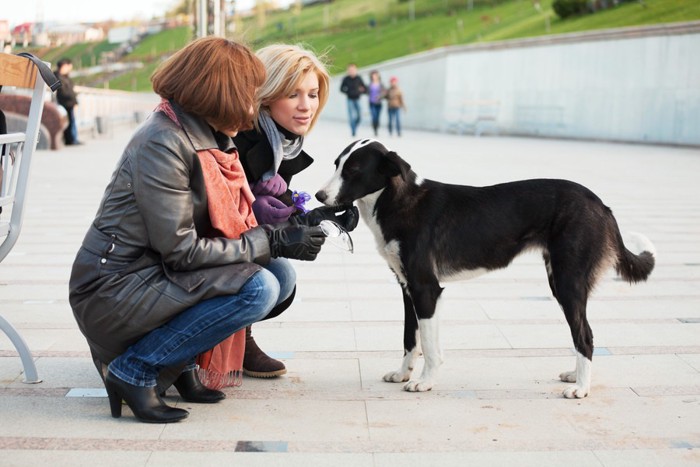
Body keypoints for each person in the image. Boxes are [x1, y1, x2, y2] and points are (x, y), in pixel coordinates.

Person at [68, 37, 328, 424]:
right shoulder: (163, 143)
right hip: (114, 289)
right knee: (260, 287)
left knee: (278, 273)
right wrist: (269, 239)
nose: (253, 102)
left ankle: (181, 362)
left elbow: (215, 229)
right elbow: (182, 251)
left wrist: (285, 229)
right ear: (221, 91)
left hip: (152, 275)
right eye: (249, 90)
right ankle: (134, 369)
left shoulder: (207, 135)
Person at [231, 44, 359, 379]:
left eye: (313, 94)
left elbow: (281, 204)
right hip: (192, 260)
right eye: (293, 94)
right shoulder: (240, 138)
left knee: (283, 278)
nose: (306, 106)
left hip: (230, 251)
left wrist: (319, 216)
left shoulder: (279, 141)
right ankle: (213, 341)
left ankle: (235, 339)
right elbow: (209, 219)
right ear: (267, 95)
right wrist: (254, 209)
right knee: (267, 285)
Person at [54, 58, 81, 145]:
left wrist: (75, 101)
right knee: (69, 122)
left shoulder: (65, 77)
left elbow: (70, 91)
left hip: (69, 103)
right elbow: (65, 92)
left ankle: (73, 139)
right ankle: (71, 140)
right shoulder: (58, 77)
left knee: (71, 122)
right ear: (63, 66)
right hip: (65, 103)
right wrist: (74, 101)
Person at [339, 63, 366, 137]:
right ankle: (353, 131)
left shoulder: (359, 78)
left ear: (356, 70)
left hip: (357, 99)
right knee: (351, 116)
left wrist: (361, 91)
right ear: (348, 71)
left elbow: (364, 88)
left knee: (360, 115)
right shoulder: (346, 79)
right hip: (350, 99)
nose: (351, 71)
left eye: (353, 70)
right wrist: (347, 92)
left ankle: (355, 126)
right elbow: (341, 89)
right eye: (350, 70)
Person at [367, 70, 385, 136]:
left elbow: (384, 92)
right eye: (373, 75)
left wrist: (380, 96)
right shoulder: (370, 84)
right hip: (372, 103)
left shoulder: (381, 84)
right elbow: (367, 92)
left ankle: (376, 127)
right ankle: (375, 129)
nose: (374, 77)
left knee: (377, 117)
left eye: (375, 75)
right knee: (374, 116)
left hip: (379, 103)